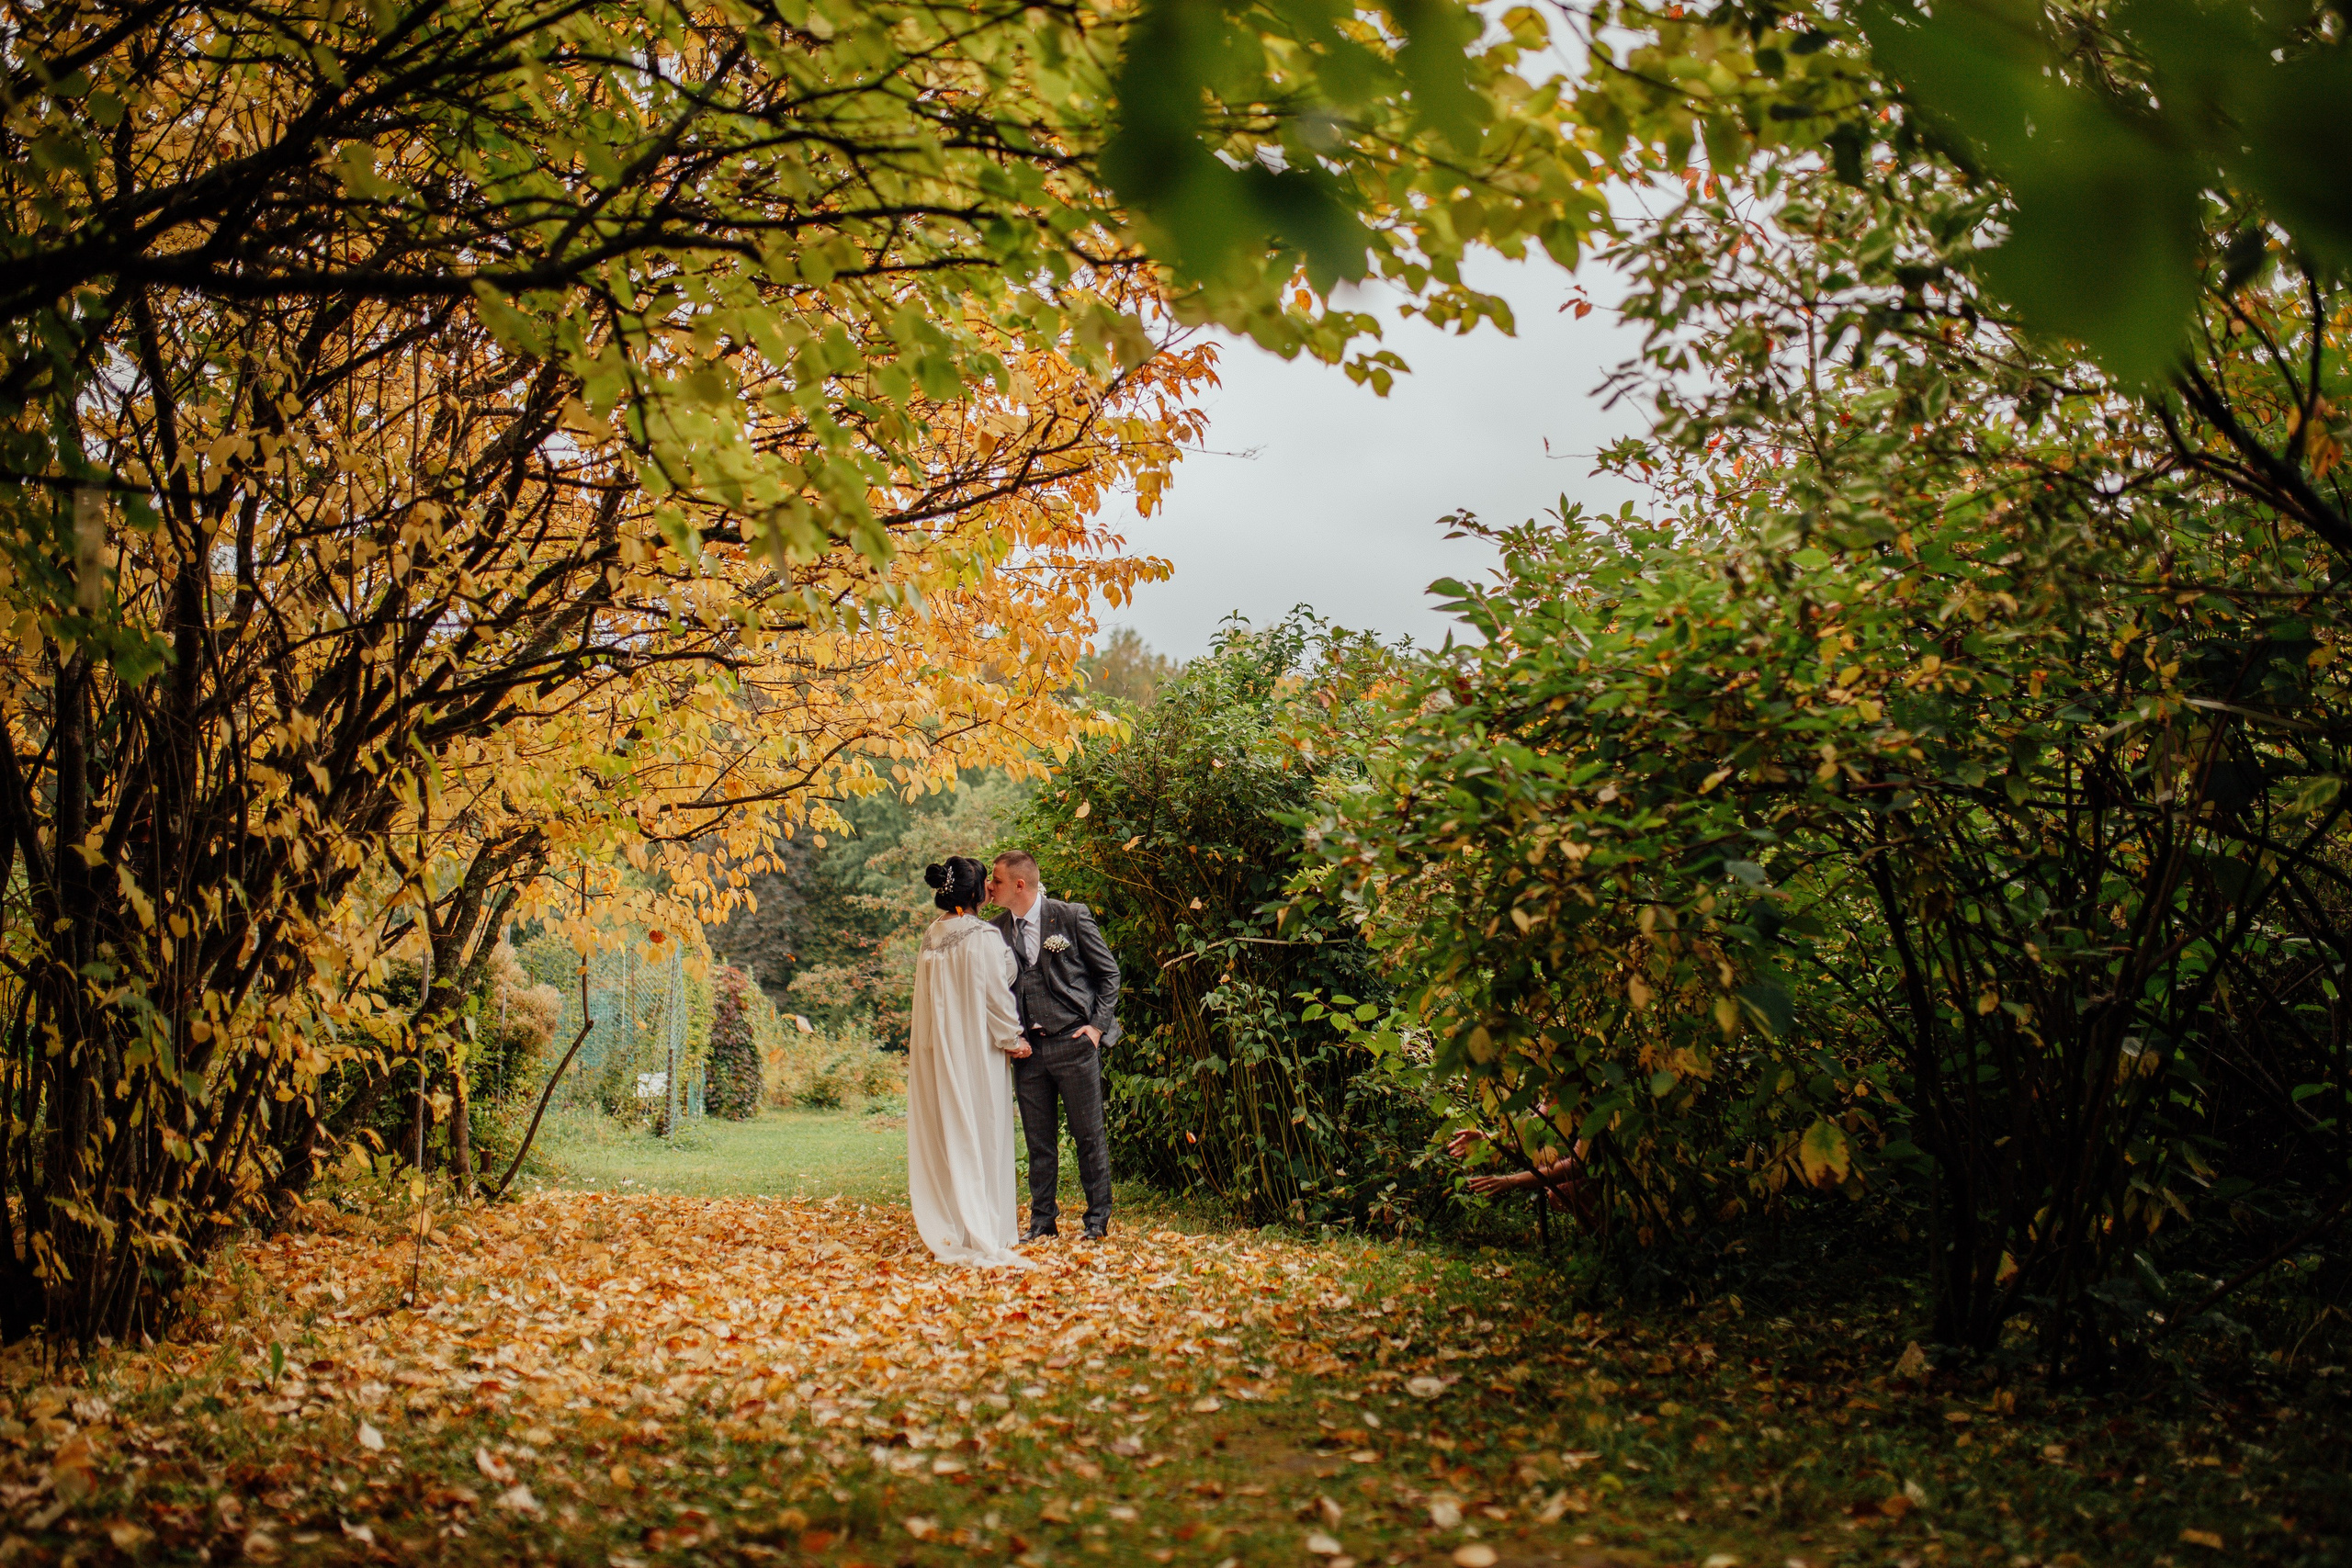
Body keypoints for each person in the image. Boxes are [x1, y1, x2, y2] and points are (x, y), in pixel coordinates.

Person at [905, 855, 1034, 1268]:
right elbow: (997, 997)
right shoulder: (981, 937)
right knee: (983, 1130)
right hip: (977, 1051)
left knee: (950, 1131)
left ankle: (956, 1224)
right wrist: (1013, 1039)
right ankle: (988, 1228)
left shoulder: (931, 935)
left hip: (939, 1051)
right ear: (978, 893)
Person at [986, 851, 1121, 1241]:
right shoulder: (995, 929)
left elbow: (1108, 974)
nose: (990, 887)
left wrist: (1096, 1028)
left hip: (1074, 1044)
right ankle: (1042, 1223)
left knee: (1089, 1137)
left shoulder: (1070, 916)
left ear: (1019, 884)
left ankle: (1097, 1221)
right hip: (1028, 1053)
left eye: (996, 879)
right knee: (1038, 1143)